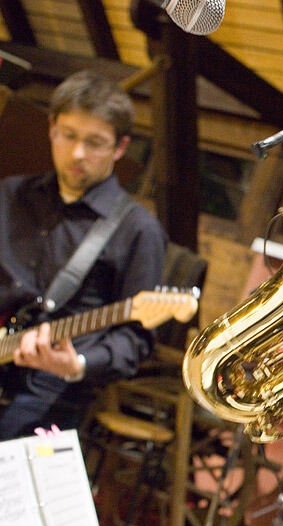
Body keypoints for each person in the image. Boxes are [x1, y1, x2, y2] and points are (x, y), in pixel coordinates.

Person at [0, 70, 166, 439]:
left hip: (53, 392)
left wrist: (76, 362)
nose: (78, 154)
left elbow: (135, 340)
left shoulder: (138, 229)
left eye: (94, 142)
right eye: (69, 136)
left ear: (119, 148)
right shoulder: (10, 195)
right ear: (51, 127)